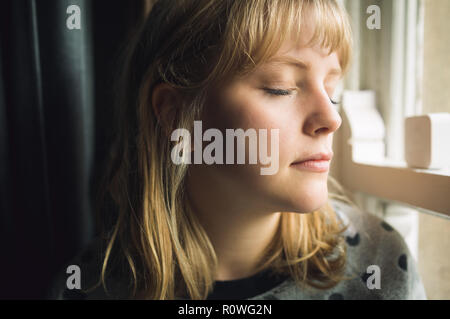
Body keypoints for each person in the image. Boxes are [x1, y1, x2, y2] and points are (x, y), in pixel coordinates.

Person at [47, 0, 427, 300]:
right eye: (281, 87)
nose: (331, 119)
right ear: (175, 113)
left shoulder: (379, 265)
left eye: (333, 90)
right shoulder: (85, 289)